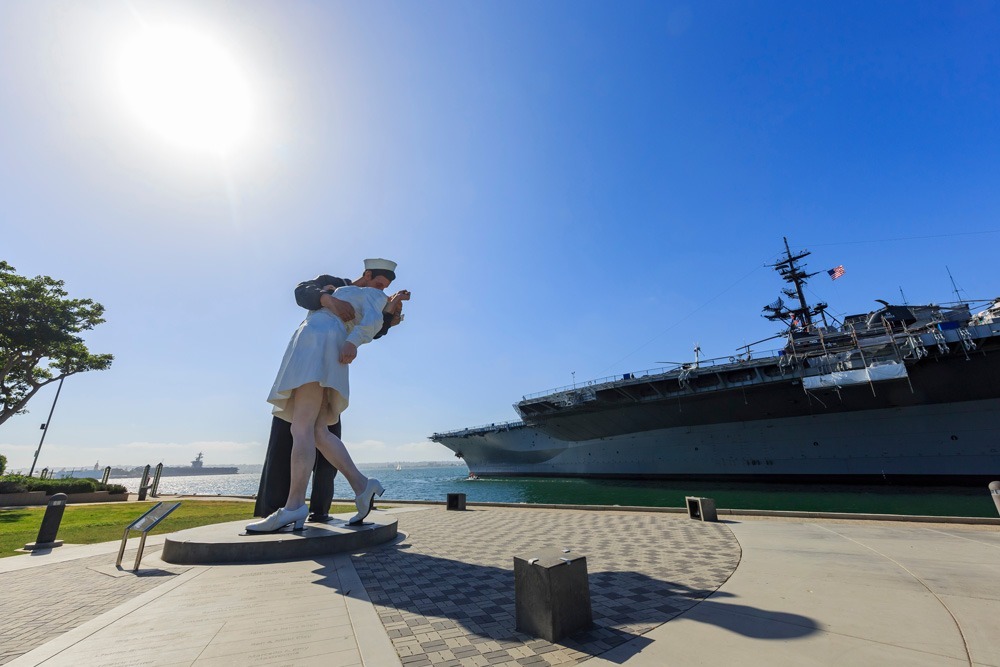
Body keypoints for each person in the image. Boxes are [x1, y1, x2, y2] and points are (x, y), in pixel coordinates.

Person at [247, 259, 409, 532]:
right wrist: (328, 299)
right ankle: (362, 485)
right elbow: (303, 291)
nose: (382, 290)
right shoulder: (337, 284)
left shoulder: (372, 296)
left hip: (318, 341)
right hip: (317, 340)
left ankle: (294, 505)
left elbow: (372, 325)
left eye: (385, 288)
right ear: (367, 275)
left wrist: (383, 316)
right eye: (379, 283)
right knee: (319, 430)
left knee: (301, 427)